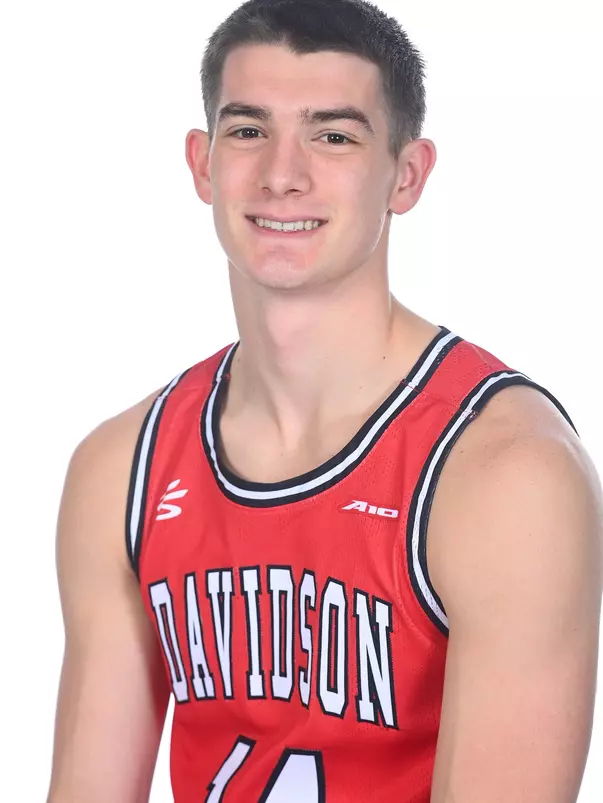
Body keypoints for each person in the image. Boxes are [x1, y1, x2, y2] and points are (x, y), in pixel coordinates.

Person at [46, 1, 603, 801]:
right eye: (247, 131)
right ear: (201, 164)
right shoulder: (121, 469)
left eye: (332, 134)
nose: (282, 173)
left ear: (405, 176)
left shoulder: (502, 474)